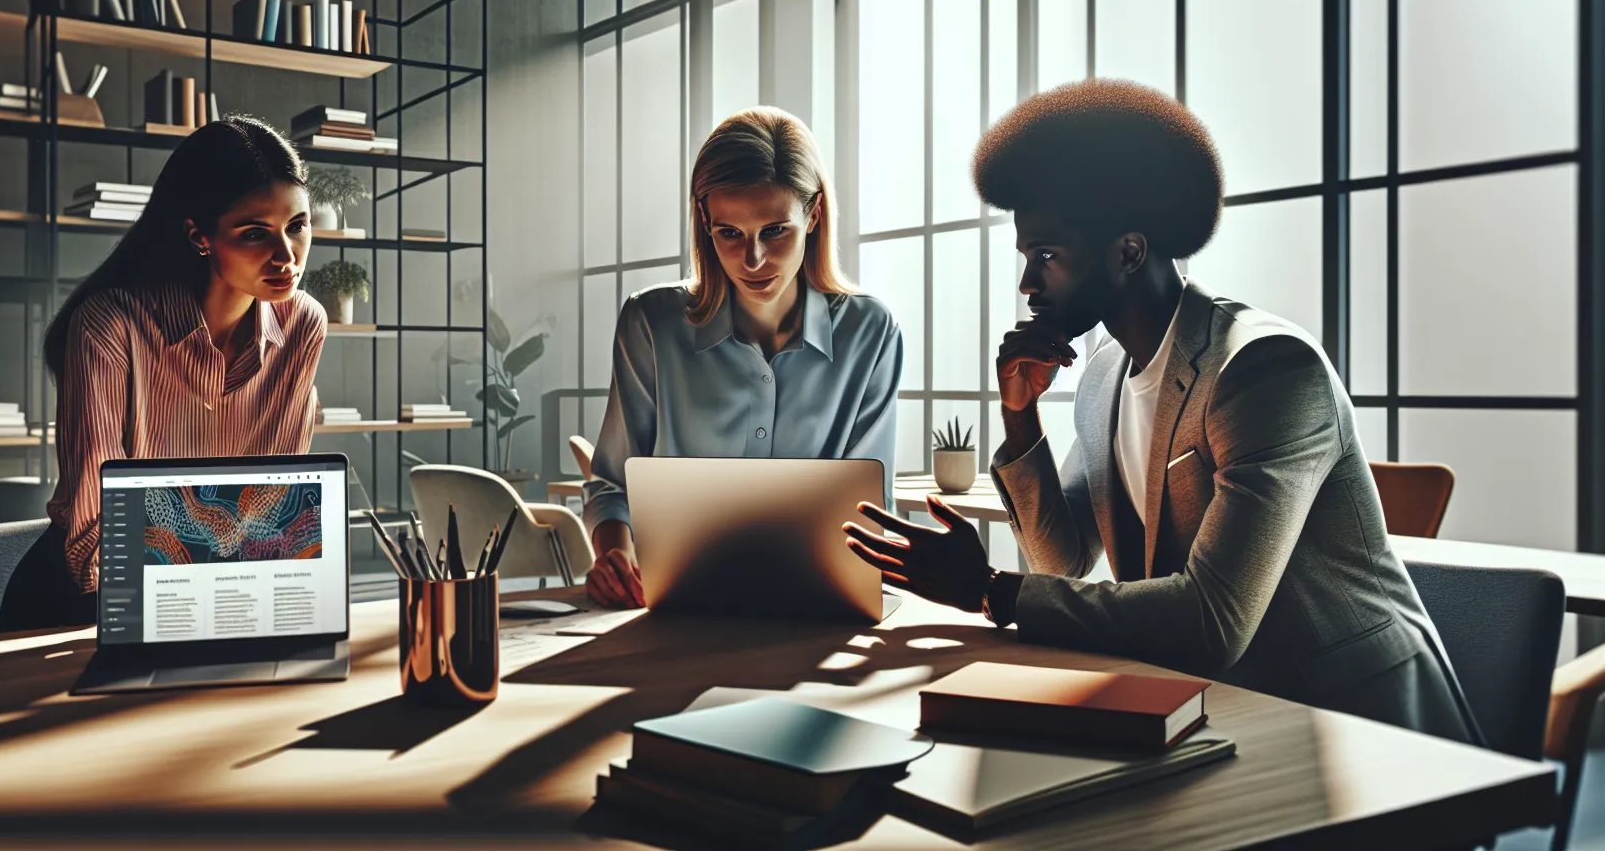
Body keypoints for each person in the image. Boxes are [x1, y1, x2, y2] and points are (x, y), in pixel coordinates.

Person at [842, 79, 1480, 743]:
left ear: (1128, 252)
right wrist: (1020, 417)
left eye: (1046, 256)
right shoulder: (1103, 379)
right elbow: (1060, 564)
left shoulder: (1265, 371)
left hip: (1359, 730)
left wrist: (988, 591)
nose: (1028, 285)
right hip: (1214, 708)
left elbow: (1212, 622)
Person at [0, 116, 328, 632]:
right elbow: (95, 521)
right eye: (254, 233)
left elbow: (273, 501)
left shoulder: (303, 323)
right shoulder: (110, 324)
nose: (287, 256)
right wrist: (175, 618)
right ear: (200, 235)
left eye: (297, 226)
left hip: (220, 598)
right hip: (85, 600)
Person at [583, 107, 904, 609]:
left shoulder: (871, 332)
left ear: (813, 215)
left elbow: (869, 512)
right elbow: (612, 483)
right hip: (671, 610)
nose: (753, 260)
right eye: (729, 233)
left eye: (776, 230)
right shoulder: (651, 323)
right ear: (705, 223)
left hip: (817, 613)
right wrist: (615, 555)